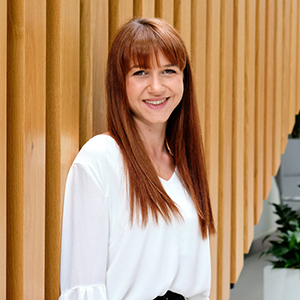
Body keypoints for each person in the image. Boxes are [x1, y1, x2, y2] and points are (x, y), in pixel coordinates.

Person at [59, 18, 215, 300]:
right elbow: (83, 287)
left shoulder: (184, 167)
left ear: (183, 79)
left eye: (168, 71)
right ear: (120, 82)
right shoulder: (100, 160)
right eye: (141, 72)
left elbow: (199, 285)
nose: (156, 87)